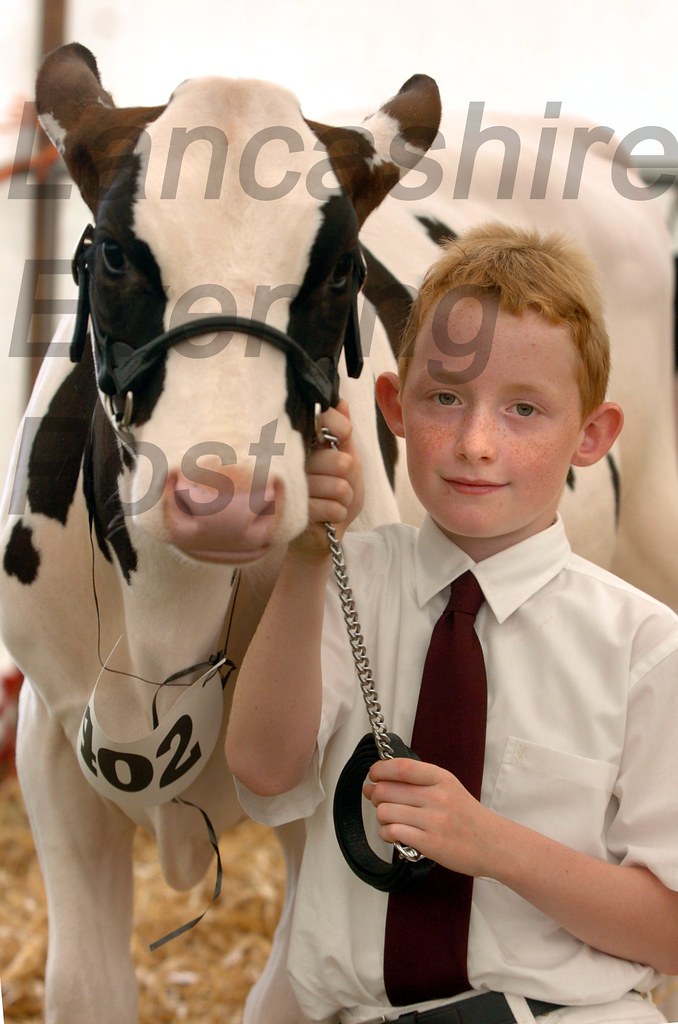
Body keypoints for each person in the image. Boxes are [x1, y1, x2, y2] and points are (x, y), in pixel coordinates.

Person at [225, 223, 678, 1024]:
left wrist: (489, 844)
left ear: (592, 436)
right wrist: (303, 555)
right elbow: (264, 766)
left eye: (525, 410)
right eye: (445, 398)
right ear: (394, 407)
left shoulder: (646, 649)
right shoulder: (343, 581)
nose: (475, 444)